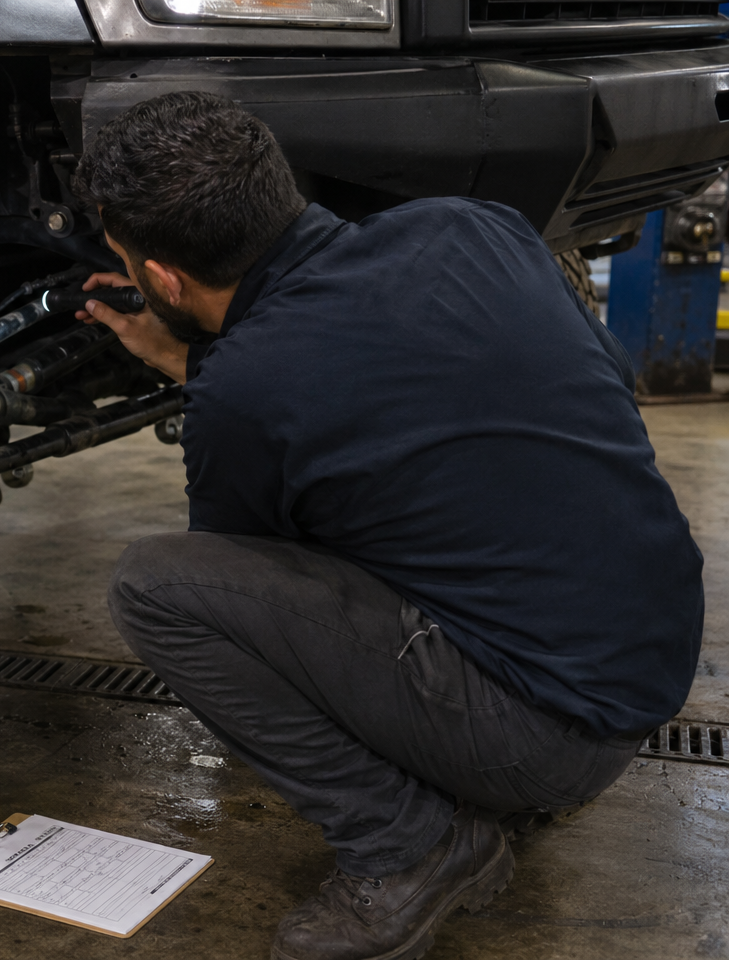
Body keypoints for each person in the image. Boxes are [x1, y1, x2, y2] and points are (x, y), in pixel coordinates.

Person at [70, 92, 704, 960]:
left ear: (165, 281)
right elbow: (597, 377)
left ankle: (411, 846)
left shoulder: (242, 394)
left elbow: (246, 576)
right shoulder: (474, 227)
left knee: (158, 588)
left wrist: (214, 376)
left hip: (545, 740)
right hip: (646, 666)